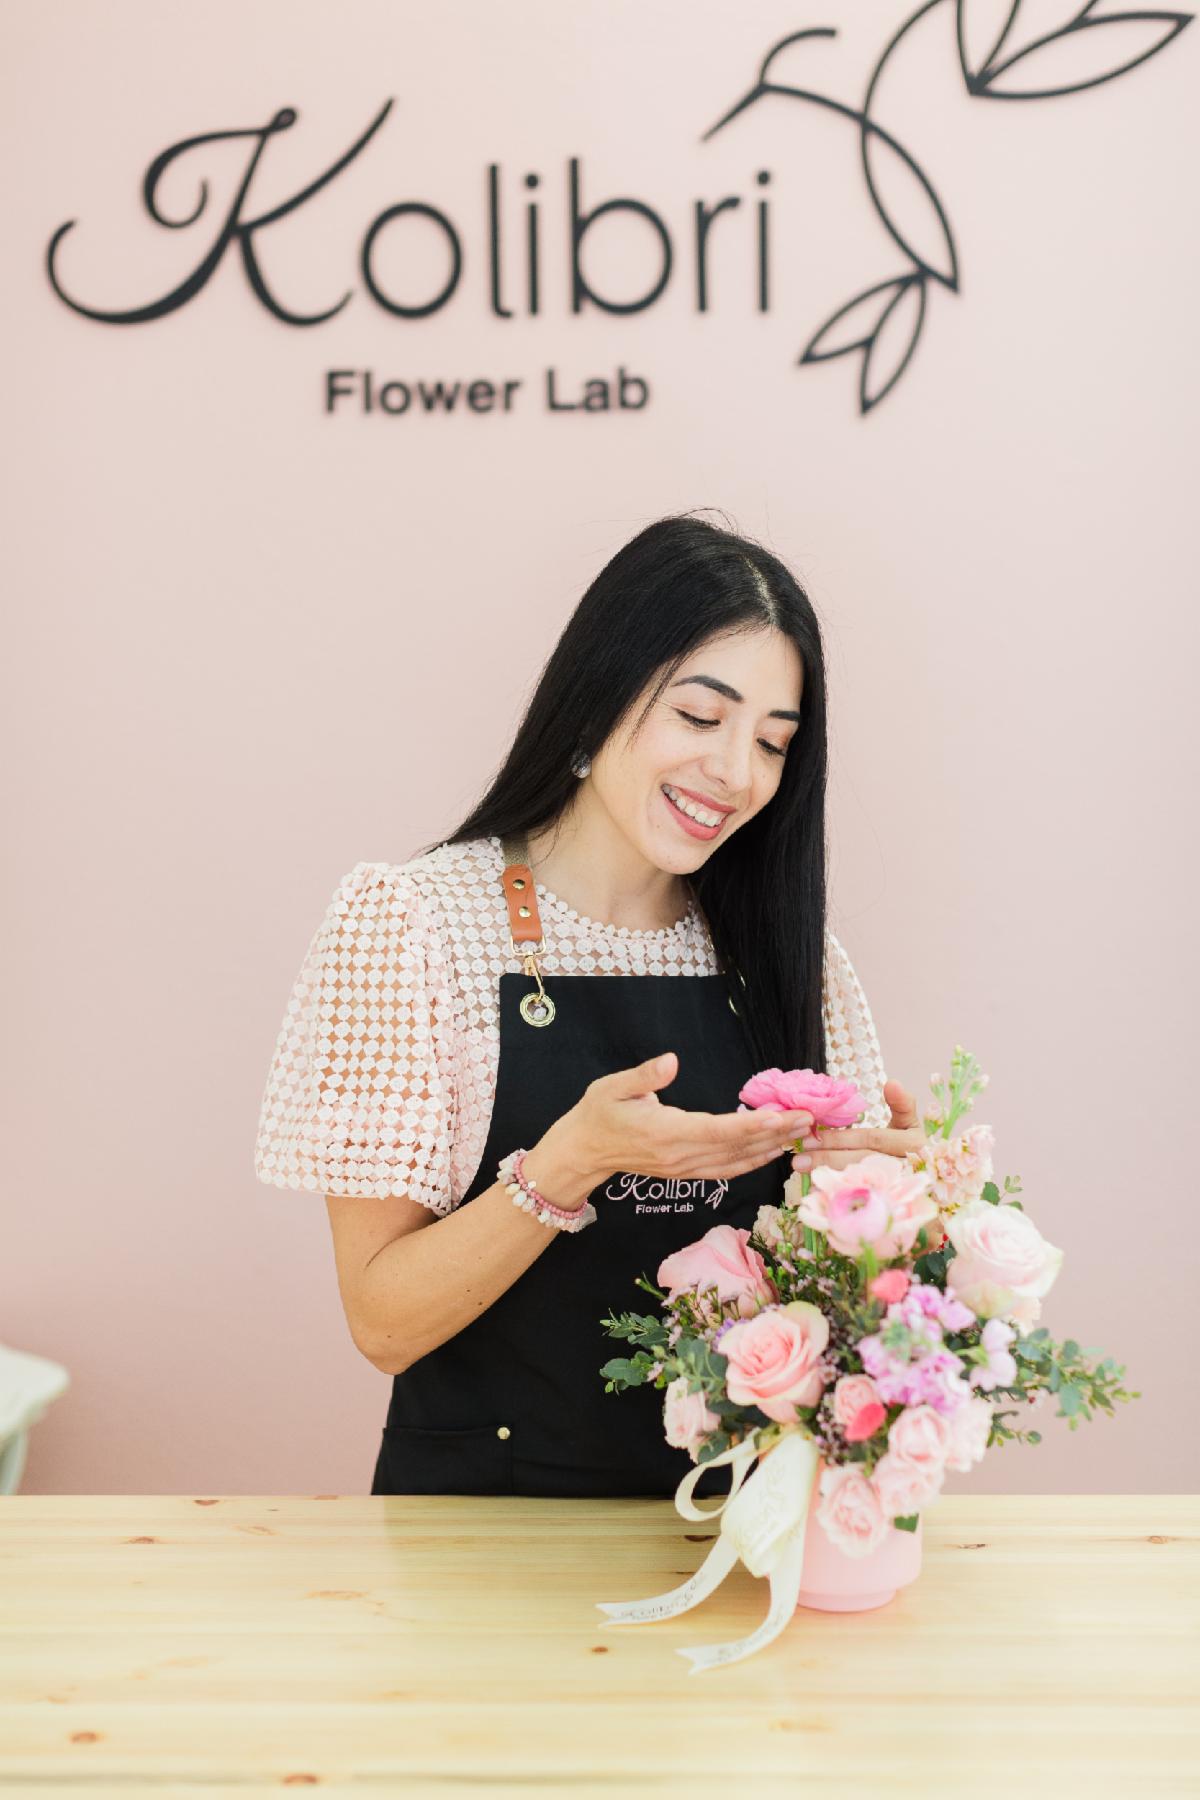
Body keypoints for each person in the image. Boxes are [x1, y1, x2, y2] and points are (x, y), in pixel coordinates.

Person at [253, 512, 923, 1498]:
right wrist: (570, 1163)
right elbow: (383, 1325)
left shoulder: (791, 956)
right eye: (700, 717)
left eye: (773, 743)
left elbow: (835, 1327)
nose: (737, 774)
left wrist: (891, 1221)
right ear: (600, 693)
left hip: (737, 1533)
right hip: (479, 1535)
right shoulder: (416, 924)